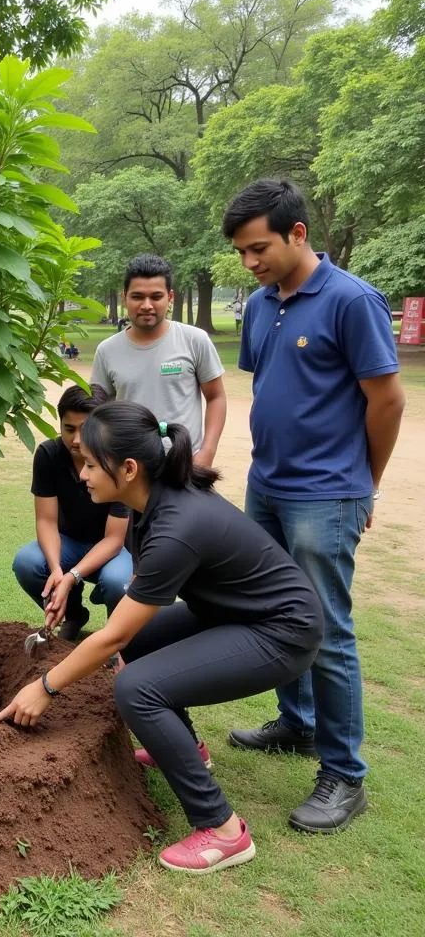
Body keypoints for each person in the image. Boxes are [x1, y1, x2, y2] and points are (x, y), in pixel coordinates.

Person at [0, 401, 324, 874]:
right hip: (232, 613)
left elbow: (109, 637)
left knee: (137, 687)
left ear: (127, 468)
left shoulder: (176, 525)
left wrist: (44, 687)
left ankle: (223, 831)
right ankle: (189, 750)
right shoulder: (147, 505)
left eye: (90, 463)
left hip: (281, 632)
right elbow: (130, 621)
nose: (82, 472)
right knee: (134, 648)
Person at [222, 179, 405, 834]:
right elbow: (270, 387)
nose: (250, 263)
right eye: (242, 253)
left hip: (326, 495)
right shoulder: (263, 304)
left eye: (259, 248)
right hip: (266, 484)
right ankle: (296, 723)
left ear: (298, 233)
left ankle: (344, 777)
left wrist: (364, 484)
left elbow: (387, 400)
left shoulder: (352, 301)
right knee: (275, 614)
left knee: (326, 632)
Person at [11, 385, 134, 639]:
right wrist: (57, 569)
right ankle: (74, 615)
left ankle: (116, 638)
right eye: (69, 429)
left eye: (86, 429)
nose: (77, 440)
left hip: (113, 548)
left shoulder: (119, 458)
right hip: (69, 542)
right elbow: (46, 521)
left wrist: (72, 576)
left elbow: (114, 539)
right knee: (26, 563)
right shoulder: (48, 455)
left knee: (117, 582)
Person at [91, 254, 227, 467]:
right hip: (129, 468)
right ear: (124, 296)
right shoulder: (107, 351)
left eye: (156, 296)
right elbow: (98, 412)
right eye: (137, 297)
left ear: (170, 297)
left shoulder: (195, 340)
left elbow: (216, 397)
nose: (146, 305)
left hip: (185, 465)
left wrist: (207, 454)